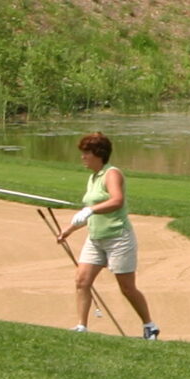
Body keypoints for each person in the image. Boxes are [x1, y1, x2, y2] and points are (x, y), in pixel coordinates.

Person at [57, 131, 160, 337]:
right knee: (82, 281)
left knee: (127, 287)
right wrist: (69, 230)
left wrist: (91, 210)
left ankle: (149, 325)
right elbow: (91, 211)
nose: (83, 157)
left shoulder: (112, 174)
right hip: (95, 238)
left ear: (98, 153)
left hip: (118, 238)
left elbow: (116, 201)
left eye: (86, 153)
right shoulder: (93, 177)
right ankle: (81, 326)